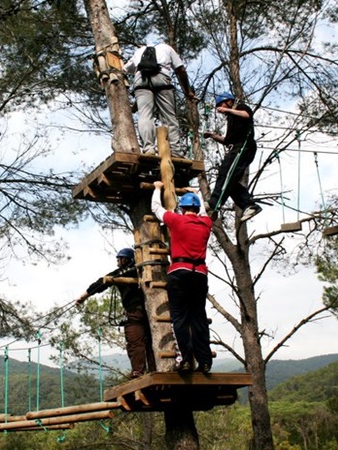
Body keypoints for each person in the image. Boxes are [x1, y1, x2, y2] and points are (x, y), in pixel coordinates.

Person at [151, 182, 213, 373]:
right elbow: (204, 211)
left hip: (179, 271)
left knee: (179, 318)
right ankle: (204, 362)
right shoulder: (206, 223)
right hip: (200, 274)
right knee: (198, 318)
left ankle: (185, 360)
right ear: (196, 208)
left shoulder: (176, 220)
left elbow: (156, 208)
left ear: (182, 208)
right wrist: (197, 193)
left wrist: (158, 188)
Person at [76, 248, 156, 378]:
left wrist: (83, 296)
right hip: (149, 312)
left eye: (119, 259)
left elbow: (101, 282)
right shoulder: (143, 269)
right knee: (149, 341)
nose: (118, 262)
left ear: (125, 259)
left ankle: (138, 371)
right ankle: (153, 369)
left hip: (135, 311)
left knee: (135, 342)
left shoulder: (124, 272)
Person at [124, 41, 196, 156]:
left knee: (145, 115)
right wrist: (188, 91)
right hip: (161, 78)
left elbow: (125, 69)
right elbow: (181, 70)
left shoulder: (139, 51)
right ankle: (175, 151)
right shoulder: (167, 48)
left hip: (140, 80)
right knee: (169, 117)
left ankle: (149, 149)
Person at [203, 92, 262, 221]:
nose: (221, 108)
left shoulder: (240, 108)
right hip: (236, 147)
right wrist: (213, 136)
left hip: (244, 146)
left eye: (221, 104)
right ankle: (249, 205)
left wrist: (228, 110)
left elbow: (247, 115)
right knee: (230, 179)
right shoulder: (231, 119)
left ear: (229, 101)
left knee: (226, 173)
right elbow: (227, 141)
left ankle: (214, 201)